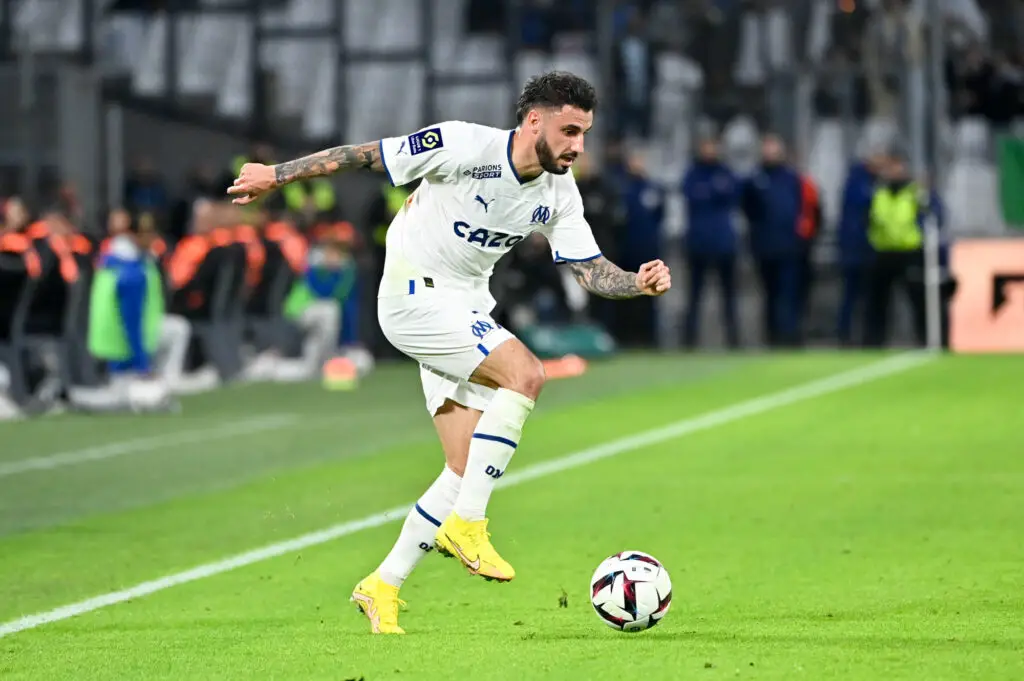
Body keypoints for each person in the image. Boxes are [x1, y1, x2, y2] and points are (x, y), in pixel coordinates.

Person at [227, 71, 672, 634]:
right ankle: (468, 525)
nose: (578, 146)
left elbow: (589, 269)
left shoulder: (559, 192)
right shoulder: (463, 145)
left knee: (463, 467)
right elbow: (364, 155)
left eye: (584, 134)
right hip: (413, 294)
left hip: (464, 307)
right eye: (569, 131)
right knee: (525, 374)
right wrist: (277, 175)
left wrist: (636, 282)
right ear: (534, 120)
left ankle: (382, 585)